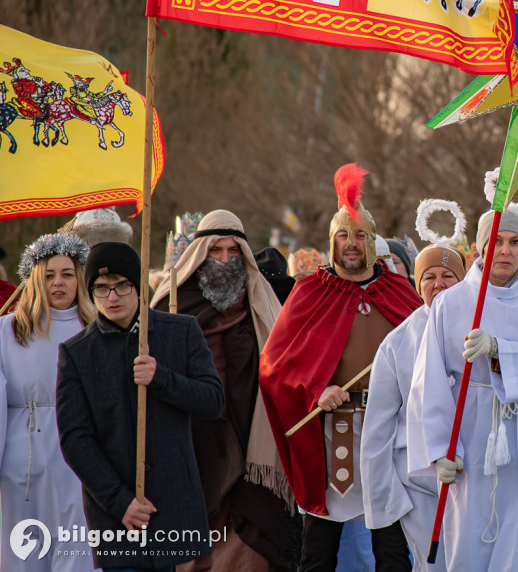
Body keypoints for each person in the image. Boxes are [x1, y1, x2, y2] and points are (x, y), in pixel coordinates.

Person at [406, 205, 518, 570]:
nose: (504, 250)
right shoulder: (450, 303)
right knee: (474, 542)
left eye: (513, 242)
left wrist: (500, 352)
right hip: (472, 438)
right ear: (479, 247)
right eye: (495, 242)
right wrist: (441, 448)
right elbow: (429, 383)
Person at [259, 164, 422, 571]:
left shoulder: (399, 291)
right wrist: (316, 391)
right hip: (333, 434)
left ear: (372, 241)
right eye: (343, 235)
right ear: (331, 242)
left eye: (360, 235)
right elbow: (275, 366)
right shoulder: (310, 291)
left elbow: (428, 359)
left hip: (389, 433)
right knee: (317, 553)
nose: (352, 244)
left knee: (392, 551)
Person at [56, 242, 225, 570]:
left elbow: (213, 402)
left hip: (172, 508)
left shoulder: (182, 331)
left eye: (122, 285)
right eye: (101, 288)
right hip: (116, 516)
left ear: (138, 286)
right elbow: (75, 440)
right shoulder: (76, 353)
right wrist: (121, 503)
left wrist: (161, 377)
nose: (113, 297)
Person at [151, 210, 293, 572]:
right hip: (193, 437)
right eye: (216, 250)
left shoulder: (262, 304)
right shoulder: (171, 305)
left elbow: (284, 365)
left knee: (257, 544)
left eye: (234, 251)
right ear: (200, 253)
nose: (226, 260)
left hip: (250, 437)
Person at [361, 200, 469, 570]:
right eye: (429, 277)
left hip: (479, 477)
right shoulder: (396, 345)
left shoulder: (483, 331)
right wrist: (383, 503)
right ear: (417, 283)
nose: (438, 284)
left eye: (447, 276)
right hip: (421, 484)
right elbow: (377, 428)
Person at [2, 233, 95, 571]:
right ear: (35, 278)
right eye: (49, 274)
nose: (58, 282)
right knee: (24, 548)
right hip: (22, 456)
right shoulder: (10, 330)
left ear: (80, 279)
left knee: (77, 546)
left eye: (67, 274)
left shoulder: (97, 327)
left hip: (80, 454)